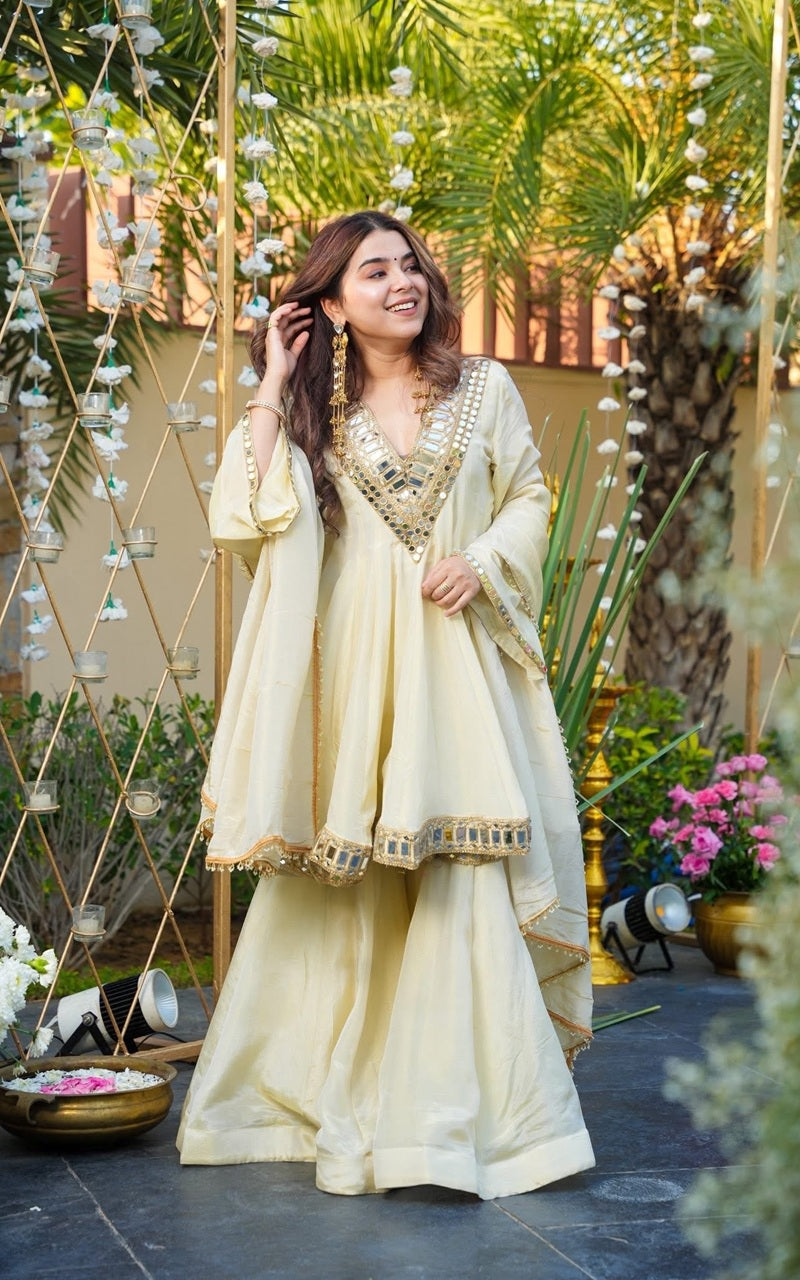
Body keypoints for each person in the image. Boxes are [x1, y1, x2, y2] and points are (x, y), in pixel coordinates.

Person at [177, 210, 594, 1199]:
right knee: (346, 889)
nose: (403, 282)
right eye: (374, 271)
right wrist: (275, 379)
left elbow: (528, 497)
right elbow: (248, 512)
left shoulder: (483, 387)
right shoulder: (310, 413)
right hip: (355, 675)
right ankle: (312, 1104)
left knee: (462, 874)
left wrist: (481, 560)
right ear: (330, 302)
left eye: (410, 265)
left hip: (453, 660)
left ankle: (451, 1129)